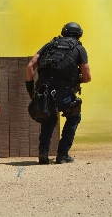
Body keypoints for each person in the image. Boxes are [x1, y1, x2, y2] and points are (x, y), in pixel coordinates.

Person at [26, 22, 91, 164]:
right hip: (63, 90)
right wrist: (75, 79)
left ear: (63, 32)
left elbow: (31, 66)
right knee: (73, 116)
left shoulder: (50, 45)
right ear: (79, 35)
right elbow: (87, 78)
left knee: (48, 117)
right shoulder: (79, 49)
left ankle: (43, 153)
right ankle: (62, 155)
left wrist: (31, 90)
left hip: (43, 88)